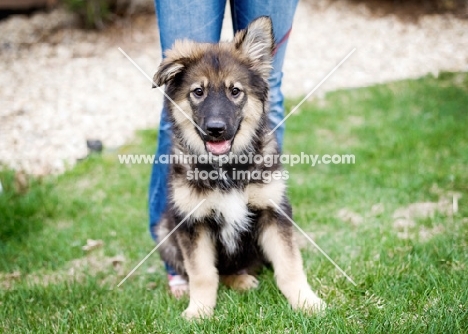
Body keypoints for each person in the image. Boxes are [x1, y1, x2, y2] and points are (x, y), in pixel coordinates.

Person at [149, 0, 299, 297]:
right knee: (185, 219)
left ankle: (276, 273)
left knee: (274, 88)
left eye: (235, 92)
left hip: (252, 164)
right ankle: (187, 272)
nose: (216, 120)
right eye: (198, 92)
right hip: (193, 170)